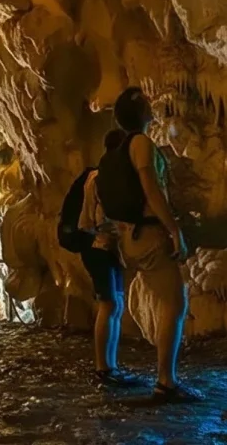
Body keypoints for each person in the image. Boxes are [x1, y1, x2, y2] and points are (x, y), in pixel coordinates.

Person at [97, 87, 201, 402]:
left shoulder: (115, 152)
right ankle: (166, 382)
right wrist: (174, 230)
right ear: (141, 113)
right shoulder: (140, 143)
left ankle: (165, 377)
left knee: (166, 302)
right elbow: (151, 189)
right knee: (174, 303)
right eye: (145, 103)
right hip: (150, 235)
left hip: (130, 238)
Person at [77, 129, 144, 386]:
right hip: (99, 248)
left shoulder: (105, 177)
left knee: (115, 306)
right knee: (109, 305)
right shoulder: (98, 178)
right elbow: (89, 220)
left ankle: (110, 365)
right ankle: (103, 367)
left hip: (109, 250)